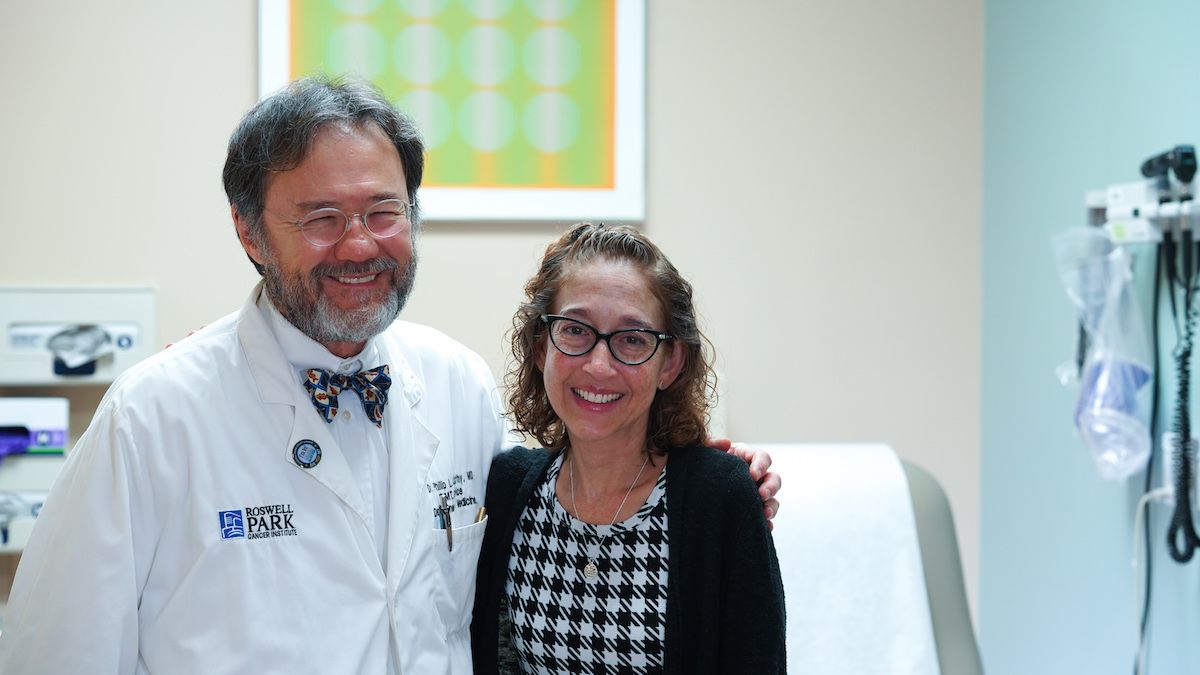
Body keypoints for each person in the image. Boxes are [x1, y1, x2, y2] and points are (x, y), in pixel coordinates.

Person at [0, 77, 779, 675]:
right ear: (248, 230)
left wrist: (697, 467)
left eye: (383, 210)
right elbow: (54, 652)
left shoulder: (456, 385)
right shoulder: (153, 418)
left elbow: (579, 472)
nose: (359, 245)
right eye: (320, 218)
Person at [472, 223, 787, 674]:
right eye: (576, 330)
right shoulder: (507, 490)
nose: (599, 365)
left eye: (633, 339)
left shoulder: (719, 499)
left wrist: (725, 476)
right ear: (542, 347)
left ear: (670, 363)